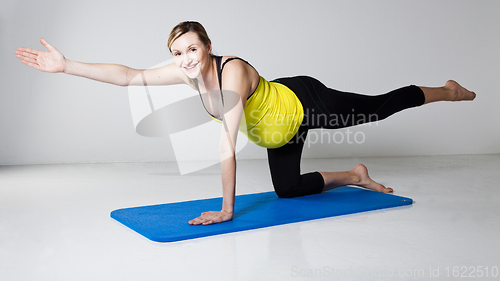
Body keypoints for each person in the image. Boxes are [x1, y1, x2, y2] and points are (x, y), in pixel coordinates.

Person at [15, 21, 476, 226]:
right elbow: (131, 76)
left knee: (377, 106)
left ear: (208, 45)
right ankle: (354, 175)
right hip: (278, 130)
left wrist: (227, 209)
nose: (184, 60)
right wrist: (67, 65)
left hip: (304, 103)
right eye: (177, 53)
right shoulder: (187, 72)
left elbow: (226, 143)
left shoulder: (230, 71)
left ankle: (446, 89)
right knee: (289, 190)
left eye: (191, 50)